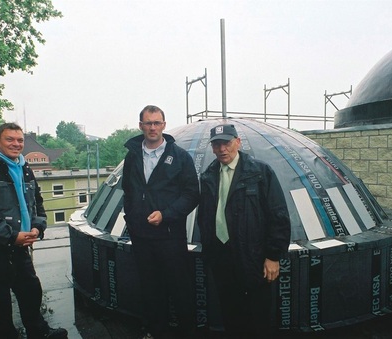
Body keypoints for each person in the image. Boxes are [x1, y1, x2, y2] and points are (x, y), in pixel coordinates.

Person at [0, 123, 68, 339]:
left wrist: (38, 227)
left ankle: (38, 332)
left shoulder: (24, 168)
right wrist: (11, 237)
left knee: (30, 290)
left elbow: (36, 201)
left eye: (19, 140)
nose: (16, 144)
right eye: (10, 139)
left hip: (19, 246)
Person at [198, 124, 291, 338]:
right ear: (212, 147)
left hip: (253, 257)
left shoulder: (259, 172)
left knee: (258, 315)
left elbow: (278, 215)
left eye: (227, 143)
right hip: (222, 256)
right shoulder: (209, 176)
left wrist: (273, 256)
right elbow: (205, 216)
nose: (222, 149)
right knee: (231, 312)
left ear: (238, 142)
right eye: (217, 144)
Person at [122, 105, 200, 339]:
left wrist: (166, 214)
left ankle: (188, 333)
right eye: (148, 123)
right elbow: (129, 190)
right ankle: (156, 332)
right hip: (141, 236)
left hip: (169, 235)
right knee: (150, 288)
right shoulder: (133, 156)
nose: (152, 127)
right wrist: (133, 218)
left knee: (179, 288)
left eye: (157, 123)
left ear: (164, 125)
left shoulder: (180, 157)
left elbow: (191, 194)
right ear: (141, 126)